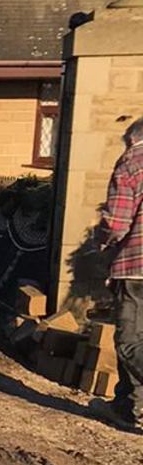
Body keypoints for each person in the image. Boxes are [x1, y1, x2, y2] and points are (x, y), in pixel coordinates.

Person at [96, 116, 143, 434]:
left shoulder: (132, 162)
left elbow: (117, 223)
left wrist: (102, 241)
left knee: (129, 341)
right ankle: (127, 408)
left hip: (137, 267)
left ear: (131, 139)